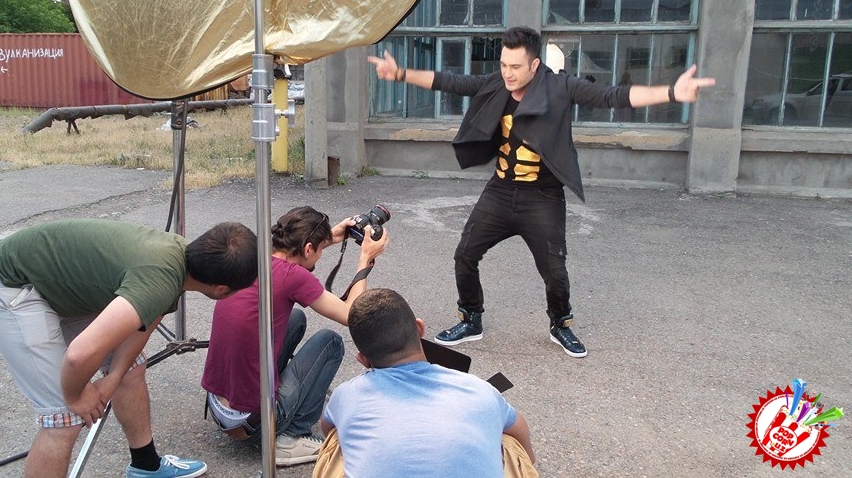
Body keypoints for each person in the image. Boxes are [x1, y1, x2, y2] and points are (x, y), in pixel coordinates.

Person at [369, 26, 716, 357]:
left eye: (516, 67)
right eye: (504, 65)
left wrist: (672, 93)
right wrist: (400, 73)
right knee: (465, 254)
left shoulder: (560, 87)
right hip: (500, 190)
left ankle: (560, 323)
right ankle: (471, 318)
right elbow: (452, 82)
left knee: (554, 272)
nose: (508, 73)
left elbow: (611, 96)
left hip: (543, 197)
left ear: (535, 64)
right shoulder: (497, 84)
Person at [0, 219, 258, 478]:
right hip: (10, 282)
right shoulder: (159, 280)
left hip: (49, 283)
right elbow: (79, 356)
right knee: (63, 419)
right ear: (221, 289)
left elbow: (143, 325)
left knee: (131, 367)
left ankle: (146, 466)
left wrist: (115, 376)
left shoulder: (184, 260)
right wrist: (76, 396)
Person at [201, 206, 389, 466]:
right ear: (308, 248)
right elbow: (351, 315)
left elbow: (301, 251)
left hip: (219, 407)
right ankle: (292, 435)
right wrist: (365, 258)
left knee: (295, 318)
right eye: (319, 249)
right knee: (331, 342)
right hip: (254, 422)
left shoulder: (254, 257)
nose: (320, 255)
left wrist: (332, 236)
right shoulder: (294, 277)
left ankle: (275, 410)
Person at [316, 288, 538, 478]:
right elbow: (519, 427)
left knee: (338, 438)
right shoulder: (480, 390)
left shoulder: (346, 395)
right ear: (420, 328)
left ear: (362, 359)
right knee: (507, 439)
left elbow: (327, 428)